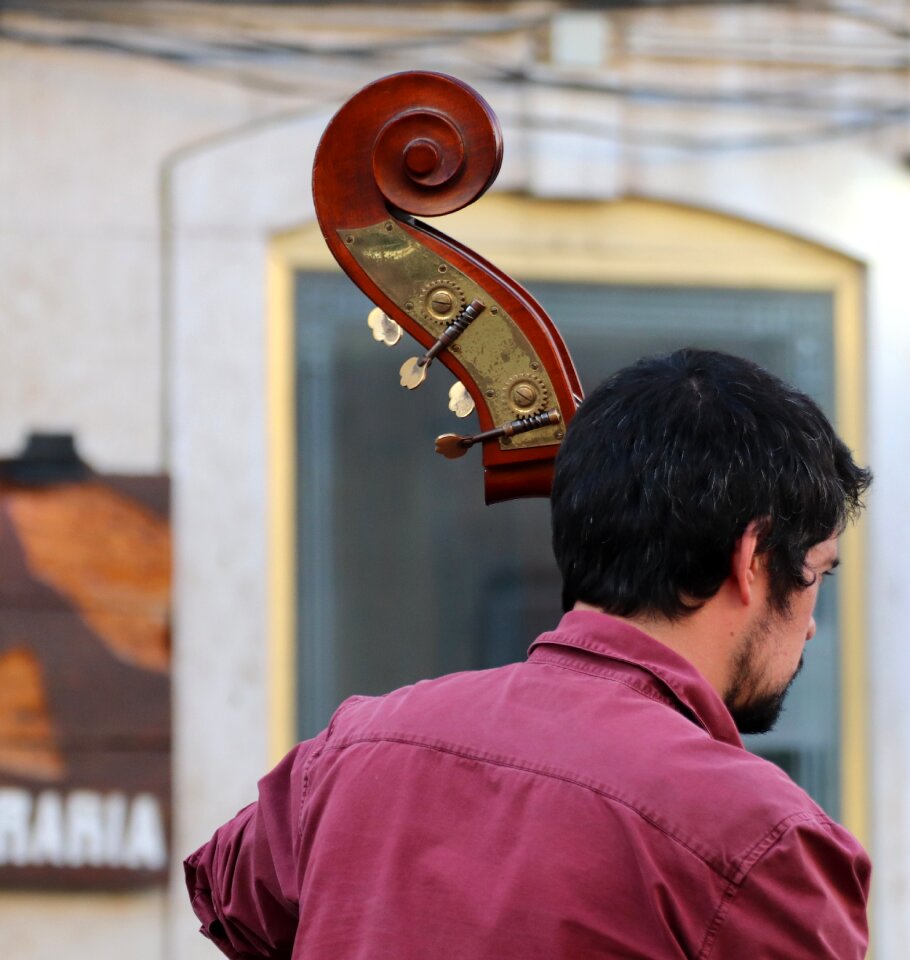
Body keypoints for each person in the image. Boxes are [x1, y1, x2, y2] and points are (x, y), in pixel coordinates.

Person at [185, 348, 872, 959]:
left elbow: (223, 890)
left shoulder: (350, 751)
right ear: (751, 560)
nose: (811, 627)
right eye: (818, 572)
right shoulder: (759, 841)